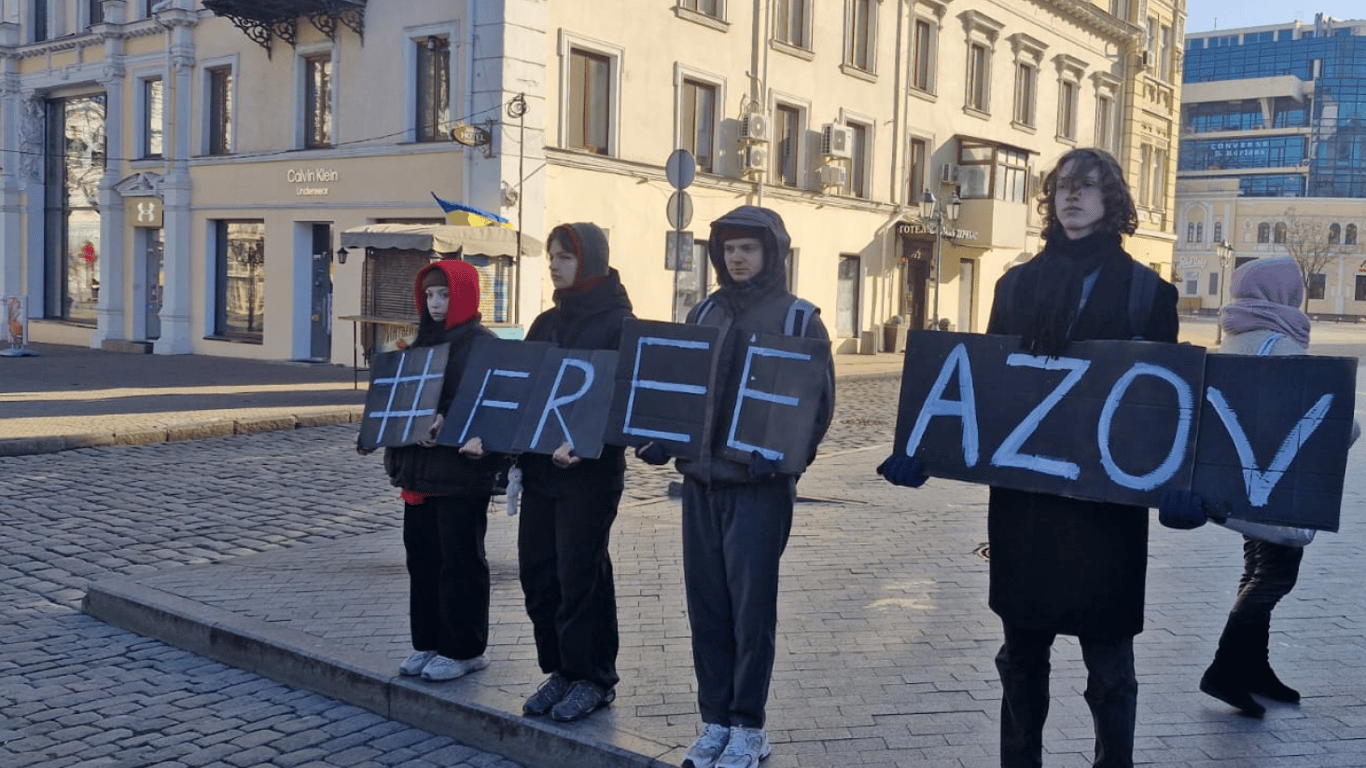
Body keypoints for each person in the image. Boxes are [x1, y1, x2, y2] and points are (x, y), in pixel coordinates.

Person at [984, 148, 1178, 768]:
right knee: (1021, 659)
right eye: (1065, 186)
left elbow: (1162, 405)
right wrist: (926, 452)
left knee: (1111, 666)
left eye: (1089, 188)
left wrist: (1178, 480)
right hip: (1028, 505)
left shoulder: (1149, 292)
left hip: (1105, 507)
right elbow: (991, 388)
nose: (1073, 197)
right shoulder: (1014, 285)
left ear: (1112, 201)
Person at [640, 205, 834, 768]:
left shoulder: (800, 319)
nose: (738, 258)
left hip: (758, 488)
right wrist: (662, 437)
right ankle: (714, 720)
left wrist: (782, 462)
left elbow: (816, 407)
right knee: (707, 606)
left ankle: (749, 725)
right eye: (729, 249)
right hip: (700, 484)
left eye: (749, 248)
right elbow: (680, 389)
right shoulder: (703, 310)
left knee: (751, 612)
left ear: (771, 252)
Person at [1186, 256, 1358, 718]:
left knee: (1257, 569)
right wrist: (1353, 428)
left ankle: (1254, 669)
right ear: (1284, 295)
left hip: (1242, 484)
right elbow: (1329, 417)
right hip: (1277, 485)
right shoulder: (1279, 345)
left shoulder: (1235, 336)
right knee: (1275, 577)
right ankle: (1224, 670)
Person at [359, 259, 504, 682]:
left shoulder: (481, 343)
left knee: (460, 563)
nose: (436, 303)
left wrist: (448, 421)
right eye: (430, 295)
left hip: (459, 475)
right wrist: (375, 430)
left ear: (463, 295)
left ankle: (463, 648)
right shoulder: (420, 341)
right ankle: (428, 642)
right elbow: (402, 399)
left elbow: (490, 404)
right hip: (419, 472)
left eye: (444, 294)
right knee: (422, 561)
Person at [516, 223, 635, 722]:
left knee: (579, 574)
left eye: (565, 257)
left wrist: (588, 444)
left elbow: (625, 400)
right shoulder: (546, 322)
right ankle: (560, 670)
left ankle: (593, 677)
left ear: (590, 261)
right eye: (552, 257)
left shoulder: (621, 325)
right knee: (539, 571)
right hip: (542, 470)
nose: (555, 265)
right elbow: (524, 391)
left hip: (589, 474)